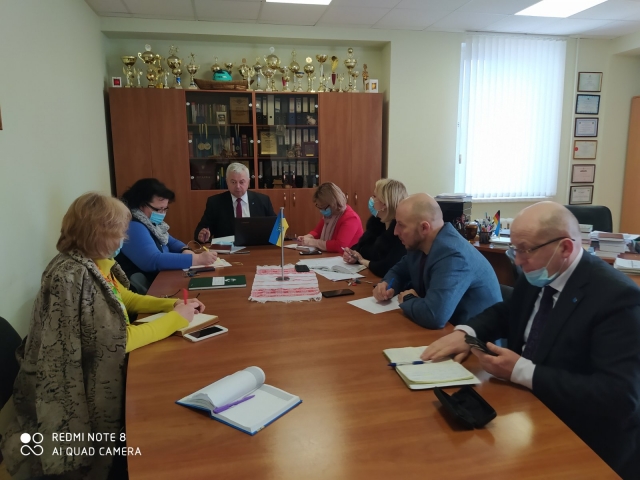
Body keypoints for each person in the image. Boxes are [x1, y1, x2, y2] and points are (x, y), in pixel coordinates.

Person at [422, 202, 640, 480]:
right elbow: (507, 312)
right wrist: (466, 333)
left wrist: (521, 371)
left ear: (565, 248)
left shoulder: (617, 299)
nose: (517, 260)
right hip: (525, 410)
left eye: (524, 250)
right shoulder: (540, 272)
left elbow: (619, 397)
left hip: (585, 438)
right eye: (514, 249)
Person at [0, 193, 205, 480]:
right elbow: (118, 342)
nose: (124, 238)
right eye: (120, 231)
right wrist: (175, 320)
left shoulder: (93, 263)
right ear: (100, 234)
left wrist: (170, 305)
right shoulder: (74, 276)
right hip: (80, 391)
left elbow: (125, 298)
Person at [373, 193, 501, 329]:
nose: (395, 232)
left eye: (401, 225)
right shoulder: (419, 244)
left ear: (424, 228)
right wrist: (387, 284)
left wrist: (408, 299)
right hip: (449, 330)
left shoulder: (453, 255)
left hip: (475, 337)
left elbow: (434, 316)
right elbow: (398, 272)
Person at [118, 178, 217, 284]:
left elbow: (171, 241)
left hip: (161, 277)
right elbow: (153, 260)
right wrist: (197, 259)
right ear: (142, 205)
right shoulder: (132, 225)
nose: (162, 213)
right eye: (158, 209)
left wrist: (184, 249)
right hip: (150, 284)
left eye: (165, 209)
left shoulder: (150, 222)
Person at [342, 178, 408, 277]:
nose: (371, 199)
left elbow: (388, 267)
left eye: (374, 196)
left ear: (384, 204)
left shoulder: (400, 233)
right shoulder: (377, 225)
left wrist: (363, 261)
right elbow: (361, 248)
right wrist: (352, 255)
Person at [194, 162, 276, 241]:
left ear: (248, 182)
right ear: (227, 182)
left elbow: (276, 227)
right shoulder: (215, 203)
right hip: (227, 248)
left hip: (255, 247)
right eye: (233, 182)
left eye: (241, 182)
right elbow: (201, 230)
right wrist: (202, 235)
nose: (238, 186)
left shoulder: (263, 200)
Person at [297, 182, 363, 253]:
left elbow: (339, 246)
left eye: (323, 207)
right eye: (319, 207)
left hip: (347, 257)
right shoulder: (330, 215)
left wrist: (312, 242)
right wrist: (307, 237)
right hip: (333, 256)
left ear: (333, 203)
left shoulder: (351, 218)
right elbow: (317, 232)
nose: (321, 210)